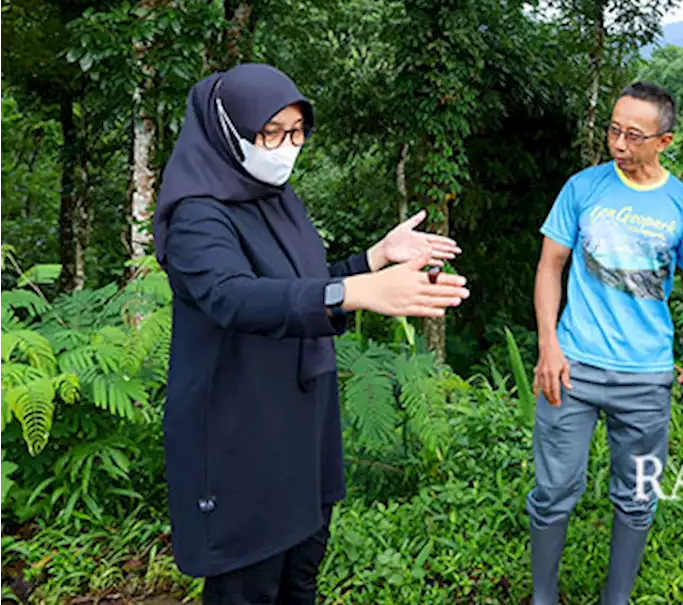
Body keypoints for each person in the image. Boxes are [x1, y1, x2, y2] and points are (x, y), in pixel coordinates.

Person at [153, 63, 471, 605]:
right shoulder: (196, 216)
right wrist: (358, 292)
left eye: (296, 132)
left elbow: (302, 286)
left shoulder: (274, 197)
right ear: (227, 130)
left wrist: (372, 260)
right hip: (239, 430)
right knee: (247, 583)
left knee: (300, 573)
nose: (285, 147)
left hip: (300, 421)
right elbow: (233, 296)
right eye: (270, 132)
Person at [527, 81, 683, 605]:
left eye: (634, 134)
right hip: (573, 367)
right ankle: (544, 596)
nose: (618, 143)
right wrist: (549, 344)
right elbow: (550, 266)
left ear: (665, 140)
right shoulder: (582, 189)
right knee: (553, 492)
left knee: (636, 498)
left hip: (646, 375)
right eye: (614, 129)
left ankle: (618, 599)